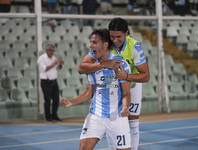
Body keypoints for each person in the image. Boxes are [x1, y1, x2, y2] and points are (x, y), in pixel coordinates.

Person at [78, 18, 150, 150]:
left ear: (126, 33)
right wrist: (103, 64)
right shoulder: (105, 44)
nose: (115, 40)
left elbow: (146, 76)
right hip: (113, 85)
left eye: (119, 37)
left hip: (132, 83)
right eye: (112, 36)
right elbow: (82, 68)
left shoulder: (134, 46)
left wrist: (126, 76)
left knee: (132, 120)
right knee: (113, 118)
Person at [61, 29, 131, 150]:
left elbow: (126, 93)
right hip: (96, 116)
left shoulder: (121, 64)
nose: (90, 45)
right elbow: (89, 92)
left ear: (105, 44)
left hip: (117, 117)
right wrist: (72, 102)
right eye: (91, 42)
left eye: (94, 42)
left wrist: (125, 107)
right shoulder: (93, 66)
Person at [37, 44, 64, 123]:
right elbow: (45, 69)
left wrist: (60, 65)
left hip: (54, 81)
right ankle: (48, 117)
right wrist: (54, 64)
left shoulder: (53, 58)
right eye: (51, 50)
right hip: (46, 81)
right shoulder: (41, 58)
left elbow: (58, 69)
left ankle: (54, 115)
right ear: (47, 50)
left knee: (56, 99)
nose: (52, 52)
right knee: (47, 100)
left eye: (53, 50)